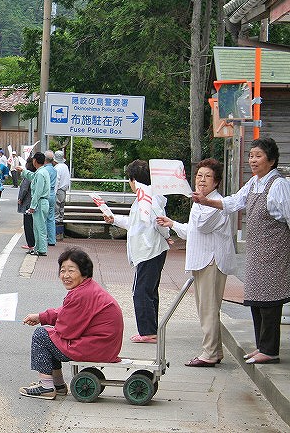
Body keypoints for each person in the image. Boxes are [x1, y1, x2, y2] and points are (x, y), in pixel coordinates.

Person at [193, 137, 290, 364]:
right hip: (257, 252)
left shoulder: (279, 185)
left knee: (270, 301)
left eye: (258, 156)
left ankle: (270, 350)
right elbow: (234, 202)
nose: (253, 160)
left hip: (274, 252)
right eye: (251, 156)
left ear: (272, 160)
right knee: (256, 300)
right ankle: (261, 346)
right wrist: (207, 202)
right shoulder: (254, 182)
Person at [156, 158, 234, 367]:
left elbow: (202, 226)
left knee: (208, 309)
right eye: (199, 176)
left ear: (216, 182)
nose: (202, 180)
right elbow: (193, 230)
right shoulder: (203, 202)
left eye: (208, 177)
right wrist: (172, 223)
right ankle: (215, 351)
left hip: (212, 261)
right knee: (205, 308)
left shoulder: (215, 204)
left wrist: (199, 201)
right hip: (203, 261)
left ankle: (209, 353)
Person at [20, 247, 124, 399]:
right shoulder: (88, 288)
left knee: (42, 335)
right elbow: (65, 313)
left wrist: (46, 325)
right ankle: (58, 385)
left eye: (71, 270)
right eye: (62, 270)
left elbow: (66, 331)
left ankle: (46, 387)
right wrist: (41, 317)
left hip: (98, 346)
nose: (65, 275)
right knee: (49, 334)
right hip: (104, 345)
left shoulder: (81, 294)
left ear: (84, 272)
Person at [104, 159, 169, 343]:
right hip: (148, 250)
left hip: (149, 250)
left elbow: (159, 222)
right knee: (148, 291)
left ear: (133, 180)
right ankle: (151, 330)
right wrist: (114, 219)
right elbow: (135, 224)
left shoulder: (148, 198)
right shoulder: (145, 197)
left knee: (141, 291)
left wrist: (166, 234)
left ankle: (147, 331)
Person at [22, 152, 50, 256]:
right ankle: (38, 248)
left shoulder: (40, 173)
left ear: (35, 161)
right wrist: (24, 172)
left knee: (40, 227)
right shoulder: (42, 171)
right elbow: (32, 176)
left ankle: (41, 249)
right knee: (37, 227)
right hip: (42, 202)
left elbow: (38, 192)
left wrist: (32, 206)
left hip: (40, 202)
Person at [17, 157, 37, 250]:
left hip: (28, 203)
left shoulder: (28, 176)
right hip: (34, 202)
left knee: (28, 224)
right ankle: (33, 243)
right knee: (34, 224)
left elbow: (24, 189)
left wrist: (20, 198)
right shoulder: (36, 174)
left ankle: (30, 244)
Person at [44, 151, 58, 246]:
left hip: (46, 194)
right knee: (51, 218)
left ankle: (43, 239)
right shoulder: (54, 170)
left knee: (43, 218)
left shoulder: (44, 170)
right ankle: (52, 240)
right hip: (53, 194)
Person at [54, 150, 71, 226]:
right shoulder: (65, 166)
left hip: (58, 189)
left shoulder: (57, 168)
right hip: (64, 190)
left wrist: (54, 192)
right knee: (61, 206)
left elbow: (56, 181)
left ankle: (57, 221)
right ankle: (61, 219)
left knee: (56, 206)